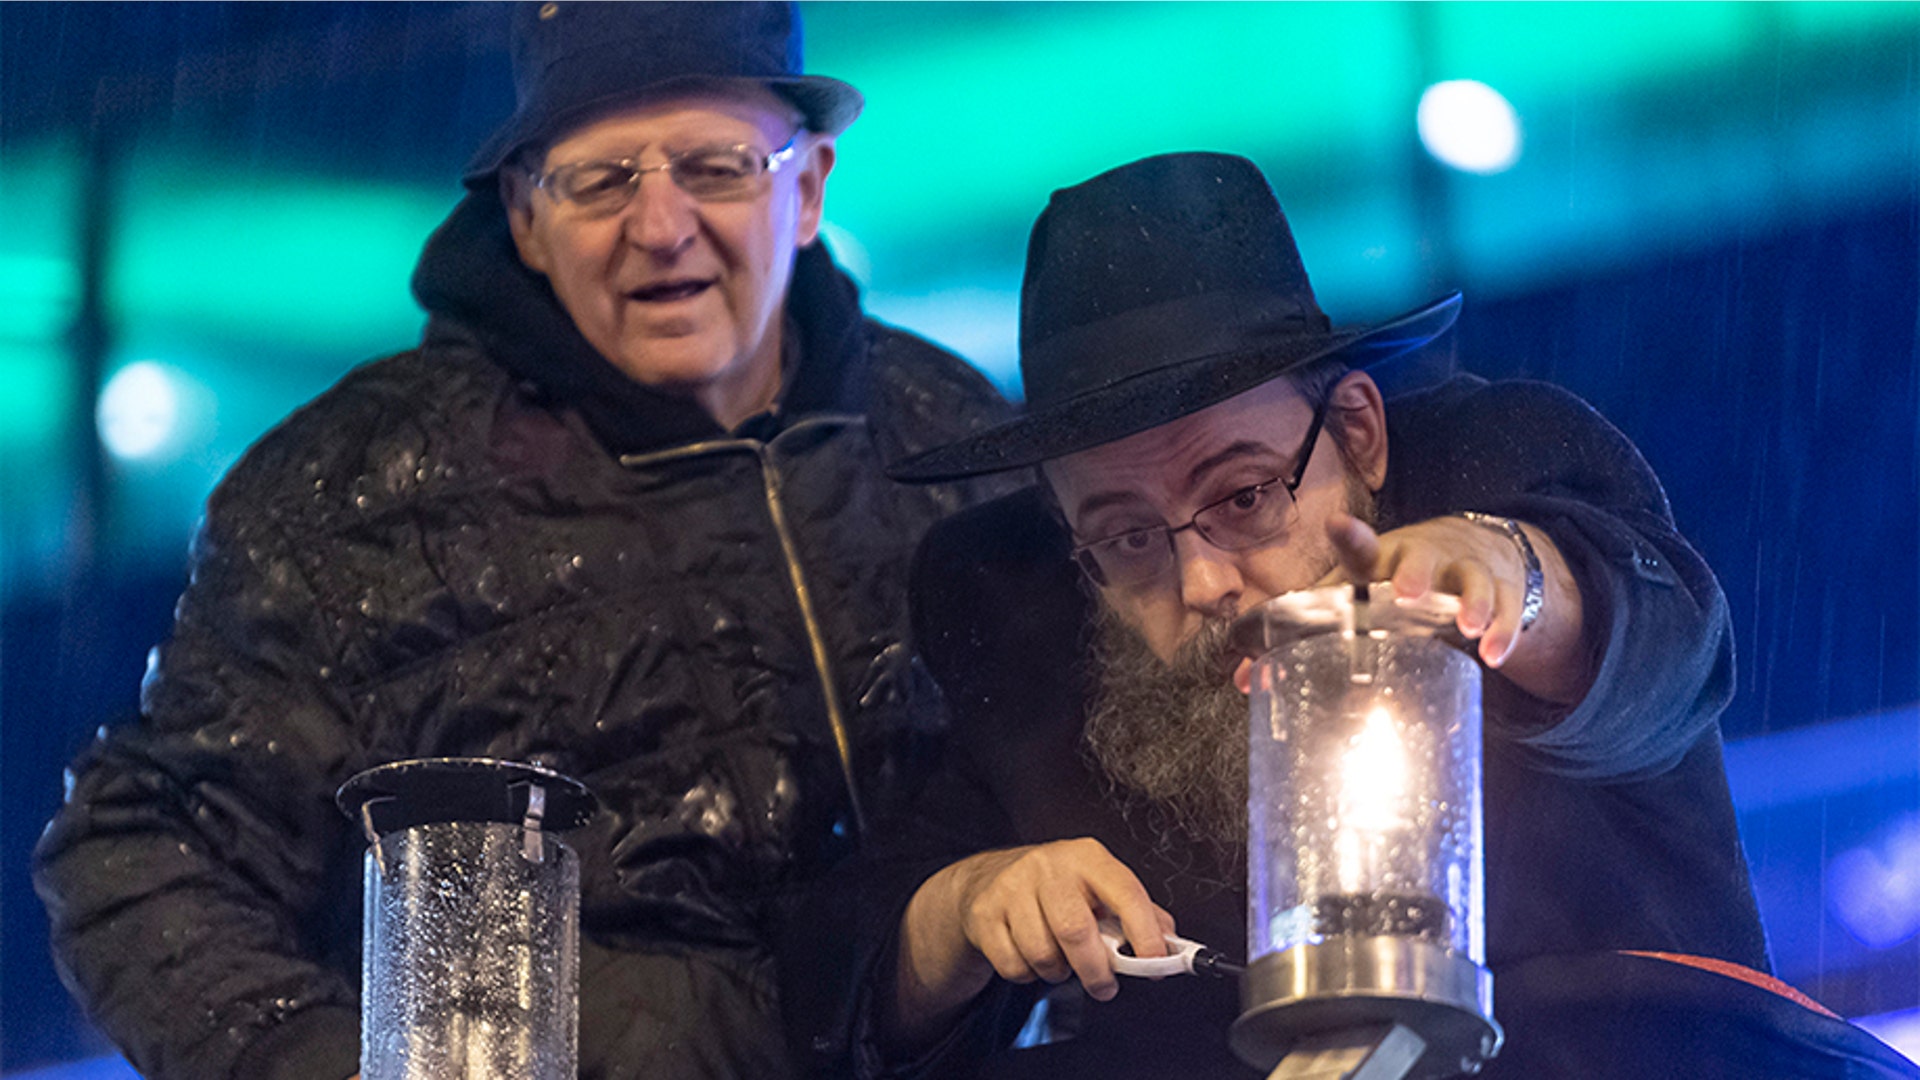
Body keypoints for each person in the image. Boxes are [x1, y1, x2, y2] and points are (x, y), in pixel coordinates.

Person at [33, 4, 1014, 1080]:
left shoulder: (956, 438)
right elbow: (140, 845)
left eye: (715, 166)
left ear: (809, 185)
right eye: (601, 180)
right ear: (527, 213)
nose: (661, 224)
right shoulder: (348, 498)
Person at [782, 152, 1920, 1078]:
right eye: (1126, 536)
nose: (1203, 583)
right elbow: (852, 954)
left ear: (1362, 436)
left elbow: (1664, 650)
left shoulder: (1505, 457)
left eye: (1241, 497)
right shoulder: (1018, 620)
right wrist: (967, 905)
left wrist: (1513, 577)